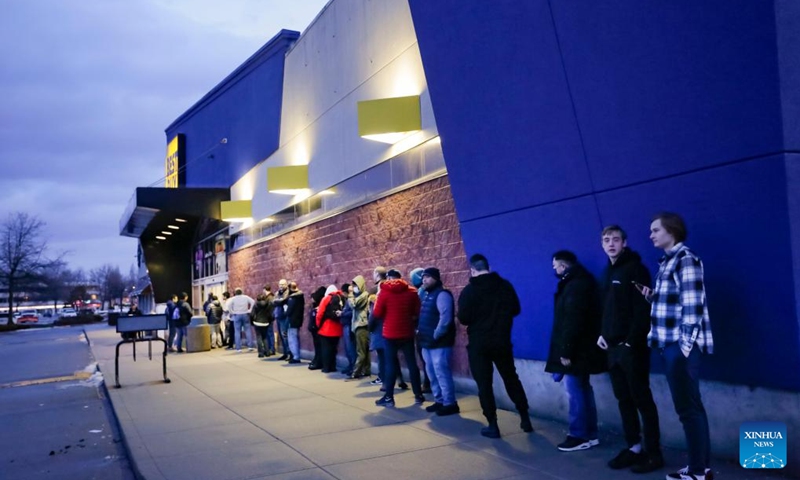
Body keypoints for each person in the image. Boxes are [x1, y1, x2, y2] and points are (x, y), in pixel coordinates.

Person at [639, 213, 714, 480]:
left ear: (671, 230)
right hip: (670, 344)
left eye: (655, 230)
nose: (651, 235)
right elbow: (677, 303)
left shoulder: (685, 259)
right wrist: (653, 298)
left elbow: (693, 307)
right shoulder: (668, 262)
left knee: (688, 409)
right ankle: (700, 467)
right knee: (691, 408)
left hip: (679, 346)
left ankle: (697, 471)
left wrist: (683, 348)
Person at [597, 225, 663, 472]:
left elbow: (643, 310)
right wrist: (602, 334)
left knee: (642, 400)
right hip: (612, 348)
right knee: (623, 400)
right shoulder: (607, 272)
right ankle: (634, 448)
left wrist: (630, 342)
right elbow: (606, 309)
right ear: (602, 245)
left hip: (632, 348)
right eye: (606, 240)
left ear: (624, 243)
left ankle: (654, 453)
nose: (611, 244)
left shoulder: (636, 269)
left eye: (616, 239)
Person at [457, 253, 532, 438]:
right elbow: (516, 309)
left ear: (473, 270)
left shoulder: (469, 291)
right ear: (488, 268)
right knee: (511, 378)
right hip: (502, 340)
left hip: (479, 343)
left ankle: (493, 424)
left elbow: (463, 318)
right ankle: (525, 417)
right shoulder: (504, 286)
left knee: (484, 384)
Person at [546, 251, 605, 452]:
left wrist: (566, 351)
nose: (554, 269)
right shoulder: (582, 282)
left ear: (563, 266)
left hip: (576, 350)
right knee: (583, 389)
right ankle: (590, 434)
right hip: (584, 348)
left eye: (555, 266)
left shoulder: (574, 285)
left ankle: (579, 435)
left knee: (575, 391)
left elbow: (572, 319)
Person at [373, 269, 424, 407]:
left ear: (389, 278)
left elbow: (377, 313)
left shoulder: (384, 292)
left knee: (390, 364)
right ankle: (418, 395)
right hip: (407, 332)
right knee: (412, 363)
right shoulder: (412, 291)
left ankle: (389, 397)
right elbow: (417, 311)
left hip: (390, 333)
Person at [417, 267, 459, 416]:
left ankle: (450, 403)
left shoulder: (442, 294)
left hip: (439, 342)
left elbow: (445, 319)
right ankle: (439, 400)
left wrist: (436, 335)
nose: (424, 280)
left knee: (441, 372)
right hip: (426, 342)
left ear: (436, 278)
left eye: (428, 277)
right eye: (423, 277)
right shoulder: (427, 295)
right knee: (432, 373)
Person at [316, 285, 344, 373]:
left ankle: (326, 367)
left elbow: (320, 314)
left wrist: (318, 325)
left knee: (325, 349)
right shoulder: (341, 298)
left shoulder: (326, 299)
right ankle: (333, 366)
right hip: (338, 328)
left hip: (326, 328)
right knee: (334, 349)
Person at [349, 275, 371, 379]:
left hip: (361, 325)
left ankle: (356, 372)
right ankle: (366, 370)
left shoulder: (364, 295)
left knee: (361, 351)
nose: (354, 288)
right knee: (364, 350)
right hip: (359, 325)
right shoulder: (360, 295)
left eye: (355, 285)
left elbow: (353, 304)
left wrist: (350, 294)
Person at [226, 287, 255, 352]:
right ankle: (250, 346)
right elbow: (253, 302)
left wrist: (232, 312)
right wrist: (250, 310)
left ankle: (238, 348)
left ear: (235, 293)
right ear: (241, 292)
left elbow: (228, 305)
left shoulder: (233, 298)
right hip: (245, 314)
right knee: (248, 330)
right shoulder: (246, 297)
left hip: (237, 315)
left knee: (237, 331)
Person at [307, 286, 327, 370]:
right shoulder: (316, 305)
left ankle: (318, 361)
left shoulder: (320, 305)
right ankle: (316, 360)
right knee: (317, 346)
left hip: (317, 328)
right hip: (315, 328)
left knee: (319, 346)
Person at [285, 281, 305, 364]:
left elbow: (289, 310)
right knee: (295, 337)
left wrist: (285, 312)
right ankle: (296, 355)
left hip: (292, 320)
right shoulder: (300, 296)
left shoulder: (292, 298)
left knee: (292, 339)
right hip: (298, 319)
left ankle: (295, 356)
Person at [339, 283, 356, 375]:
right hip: (346, 324)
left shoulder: (351, 300)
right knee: (347, 348)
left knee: (350, 348)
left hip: (349, 325)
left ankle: (353, 367)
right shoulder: (347, 300)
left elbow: (352, 312)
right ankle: (350, 365)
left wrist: (342, 313)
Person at [251, 293, 273, 358]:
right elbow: (270, 314)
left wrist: (252, 322)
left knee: (259, 337)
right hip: (266, 322)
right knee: (265, 337)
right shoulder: (268, 304)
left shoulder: (256, 305)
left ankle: (261, 353)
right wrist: (269, 321)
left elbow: (252, 314)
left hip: (257, 322)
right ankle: (267, 352)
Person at [273, 279, 290, 360]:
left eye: (283, 284)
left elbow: (283, 301)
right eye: (280, 284)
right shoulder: (277, 293)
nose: (281, 286)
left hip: (284, 316)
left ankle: (289, 353)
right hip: (278, 315)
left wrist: (278, 301)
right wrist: (278, 301)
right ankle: (285, 353)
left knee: (285, 335)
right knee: (281, 335)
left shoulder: (287, 292)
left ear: (286, 285)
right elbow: (273, 302)